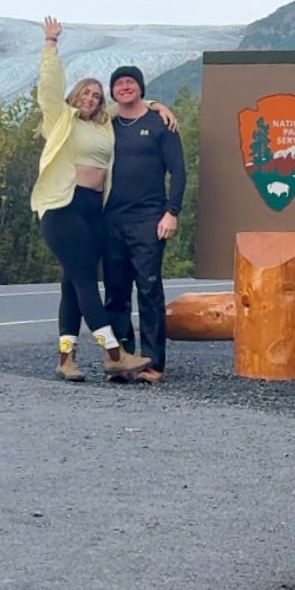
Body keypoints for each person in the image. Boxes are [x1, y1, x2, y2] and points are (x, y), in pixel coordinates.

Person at [31, 17, 176, 382]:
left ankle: (66, 360)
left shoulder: (101, 123)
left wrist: (156, 103)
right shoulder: (60, 118)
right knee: (84, 279)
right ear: (75, 95)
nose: (92, 99)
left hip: (94, 210)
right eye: (86, 93)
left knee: (71, 283)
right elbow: (49, 89)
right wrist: (51, 45)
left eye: (98, 96)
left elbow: (130, 102)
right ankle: (114, 354)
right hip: (64, 206)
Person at [102, 64, 187, 384]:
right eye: (119, 83)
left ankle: (152, 363)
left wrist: (172, 211)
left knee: (149, 290)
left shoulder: (160, 123)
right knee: (116, 293)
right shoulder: (105, 124)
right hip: (110, 220)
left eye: (130, 82)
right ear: (113, 92)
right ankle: (122, 361)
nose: (125, 87)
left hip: (150, 219)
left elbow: (178, 171)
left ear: (140, 87)